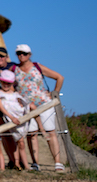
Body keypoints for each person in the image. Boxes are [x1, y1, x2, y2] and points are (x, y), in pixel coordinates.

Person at [13, 44, 65, 172]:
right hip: (27, 107)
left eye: (24, 53)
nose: (21, 56)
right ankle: (35, 163)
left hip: (44, 104)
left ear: (29, 55)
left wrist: (54, 93)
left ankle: (57, 163)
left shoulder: (37, 67)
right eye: (19, 53)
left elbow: (59, 77)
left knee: (50, 131)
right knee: (32, 134)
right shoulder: (14, 69)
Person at [0, 68, 30, 171]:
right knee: (12, 140)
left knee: (21, 142)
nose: (6, 84)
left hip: (19, 120)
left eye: (8, 83)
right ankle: (16, 163)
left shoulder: (16, 95)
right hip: (10, 120)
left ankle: (25, 165)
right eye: (4, 82)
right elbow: (2, 108)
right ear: (1, 82)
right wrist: (11, 118)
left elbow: (23, 105)